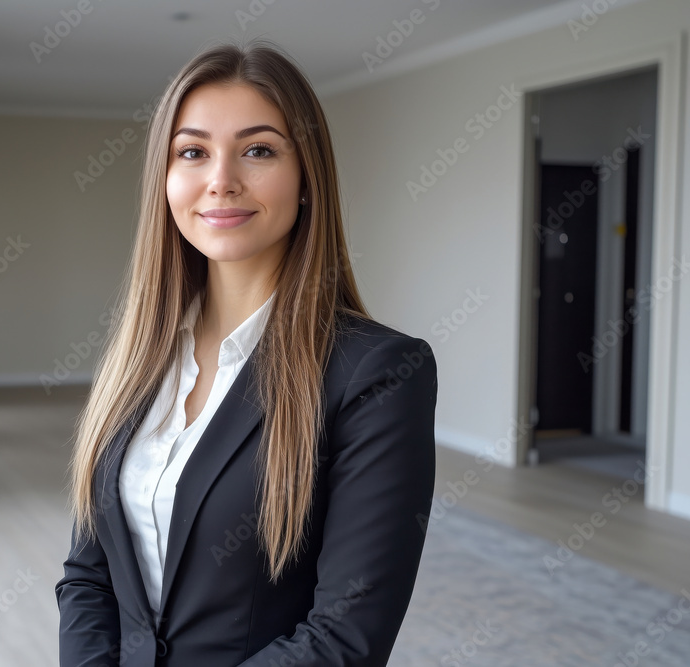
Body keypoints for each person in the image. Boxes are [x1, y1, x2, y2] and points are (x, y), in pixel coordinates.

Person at [56, 38, 438, 667]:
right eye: (193, 152)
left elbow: (343, 640)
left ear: (308, 175)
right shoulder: (136, 361)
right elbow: (87, 576)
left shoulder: (378, 374)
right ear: (166, 179)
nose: (222, 180)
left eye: (258, 150)